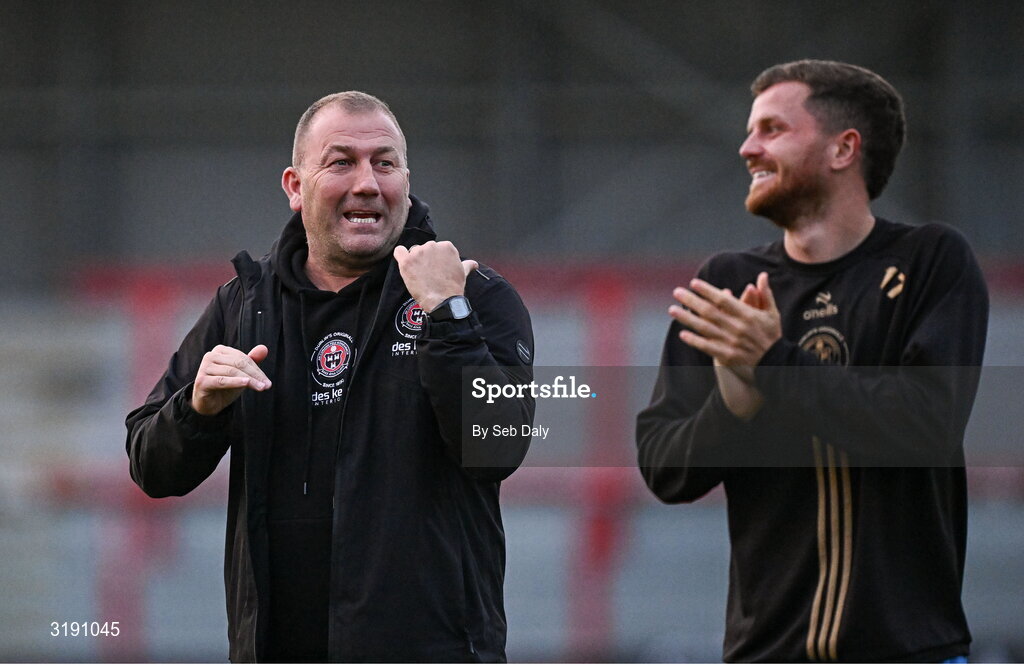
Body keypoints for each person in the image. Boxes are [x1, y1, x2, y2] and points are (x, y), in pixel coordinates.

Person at [126, 91, 535, 662]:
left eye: (384, 163)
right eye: (342, 161)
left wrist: (448, 317)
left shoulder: (474, 294)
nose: (367, 183)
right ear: (296, 187)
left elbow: (501, 448)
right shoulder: (243, 306)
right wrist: (196, 409)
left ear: (406, 181)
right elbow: (149, 464)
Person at [636, 60, 988, 662]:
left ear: (843, 148)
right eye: (751, 131)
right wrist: (734, 408)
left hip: (911, 653)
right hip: (764, 654)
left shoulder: (932, 260)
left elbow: (927, 422)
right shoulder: (727, 284)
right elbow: (665, 469)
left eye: (772, 129)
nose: (748, 148)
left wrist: (771, 362)